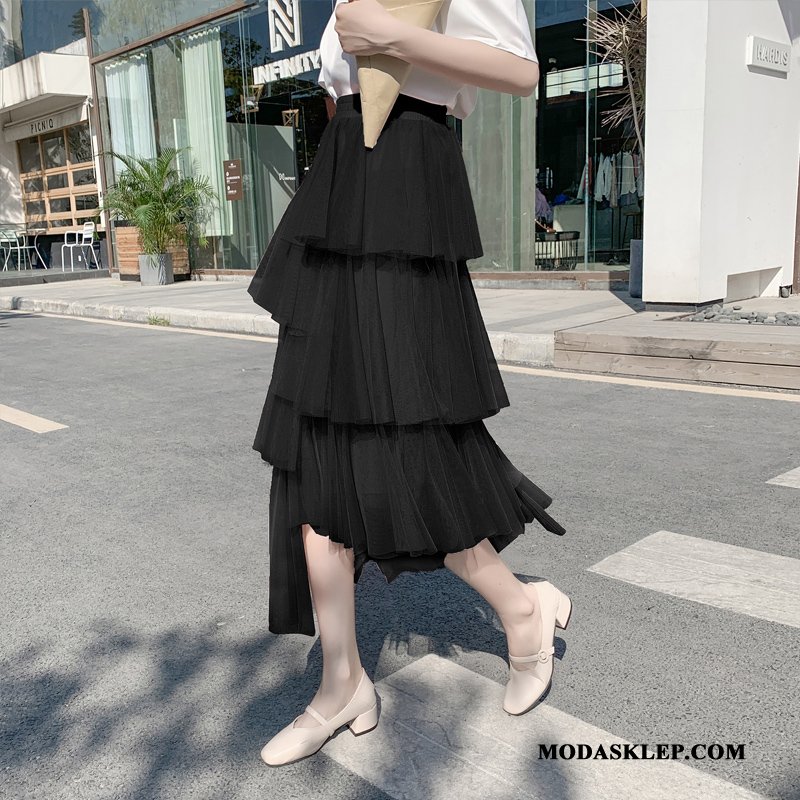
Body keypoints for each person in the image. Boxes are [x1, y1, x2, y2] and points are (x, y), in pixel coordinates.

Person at [247, 0, 571, 767]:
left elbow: (520, 71)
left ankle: (522, 610)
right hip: (343, 188)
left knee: (408, 444)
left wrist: (393, 36)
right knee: (319, 449)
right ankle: (341, 683)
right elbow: (341, 88)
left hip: (407, 185)